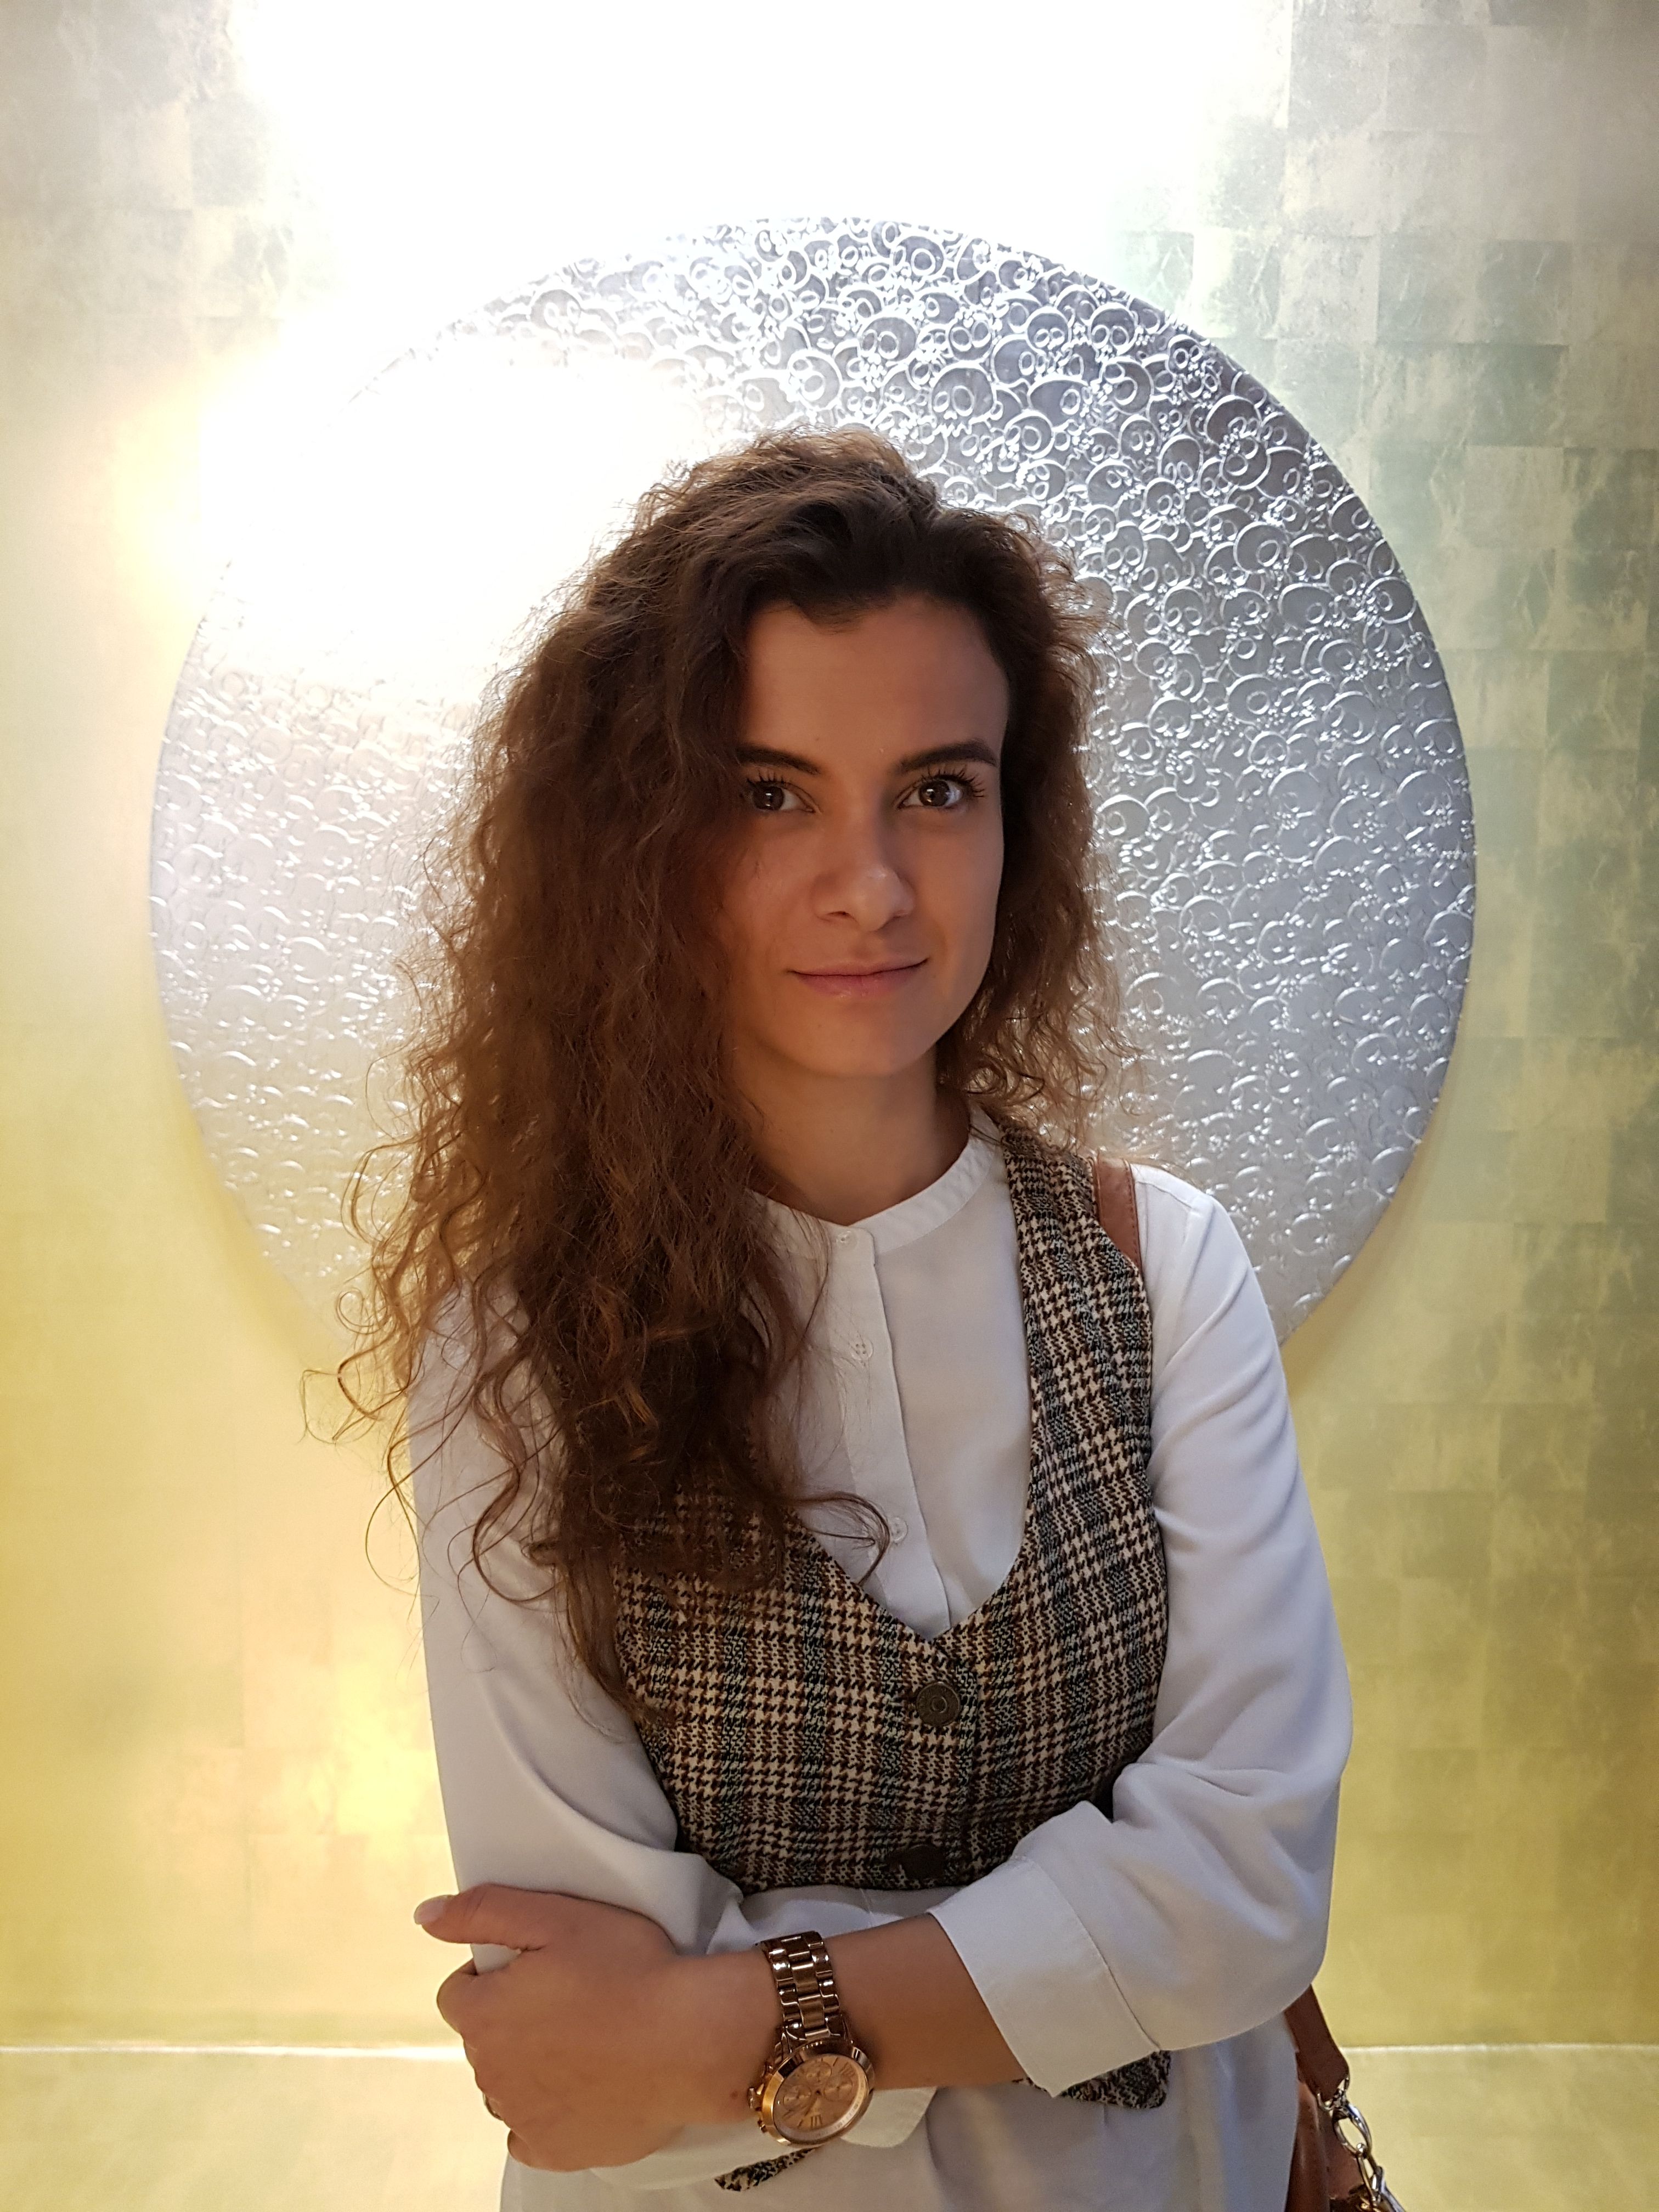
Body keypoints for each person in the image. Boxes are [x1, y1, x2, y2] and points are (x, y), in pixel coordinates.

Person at [346, 425, 1353, 2211]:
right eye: (770, 795)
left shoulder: (1165, 1267)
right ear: (639, 843)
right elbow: (585, 2054)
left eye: (938, 790)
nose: (874, 886)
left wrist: (732, 2017)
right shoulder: (517, 1358)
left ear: (1016, 821)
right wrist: (1080, 1956)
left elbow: (1248, 1892)